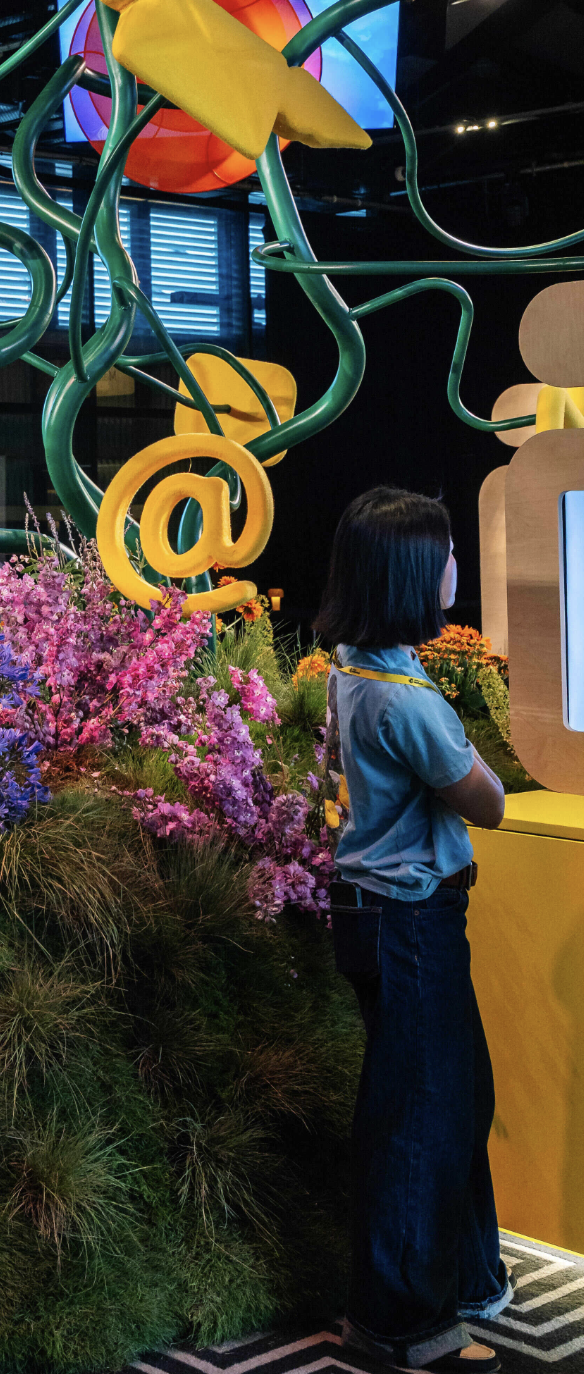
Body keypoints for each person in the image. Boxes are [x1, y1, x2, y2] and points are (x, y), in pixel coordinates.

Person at [317, 486, 509, 1374]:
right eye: (445, 553)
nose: (456, 564)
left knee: (452, 1097)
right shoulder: (404, 700)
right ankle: (400, 1323)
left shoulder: (357, 663)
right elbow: (489, 802)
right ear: (409, 576)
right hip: (410, 922)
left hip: (384, 914)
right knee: (419, 1120)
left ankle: (465, 1279)